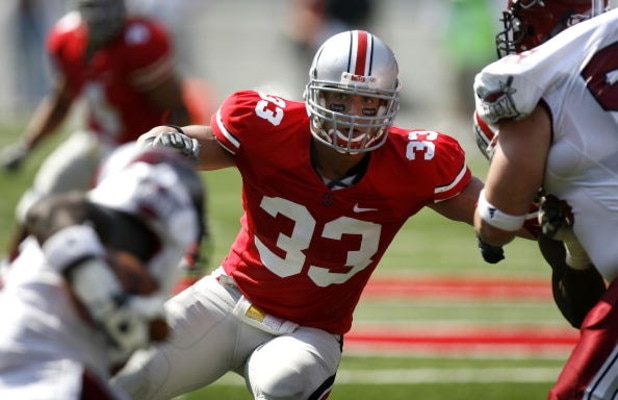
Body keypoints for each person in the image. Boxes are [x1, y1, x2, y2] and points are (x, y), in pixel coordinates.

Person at [108, 29, 519, 400]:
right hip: (228, 296)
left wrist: (554, 216)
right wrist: (175, 141)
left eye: (367, 104)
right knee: (124, 374)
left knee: (282, 384)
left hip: (309, 333)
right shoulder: (270, 128)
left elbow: (496, 210)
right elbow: (208, 143)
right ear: (313, 94)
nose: (350, 119)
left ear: (389, 104)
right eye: (338, 100)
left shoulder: (415, 161)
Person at [472, 1, 618, 398]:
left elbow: (495, 226)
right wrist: (574, 249)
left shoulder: (536, 84)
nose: (519, 34)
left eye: (528, 22)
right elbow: (582, 309)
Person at [0, 0, 205, 268]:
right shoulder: (67, 38)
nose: (103, 14)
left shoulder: (142, 41)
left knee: (120, 220)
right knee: (39, 200)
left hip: (138, 146)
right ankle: (9, 269)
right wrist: (27, 145)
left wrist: (175, 158)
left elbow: (176, 105)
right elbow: (63, 100)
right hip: (96, 139)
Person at [0, 145, 205, 400]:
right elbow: (52, 210)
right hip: (35, 370)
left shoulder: (74, 239)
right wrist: (105, 296)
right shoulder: (84, 226)